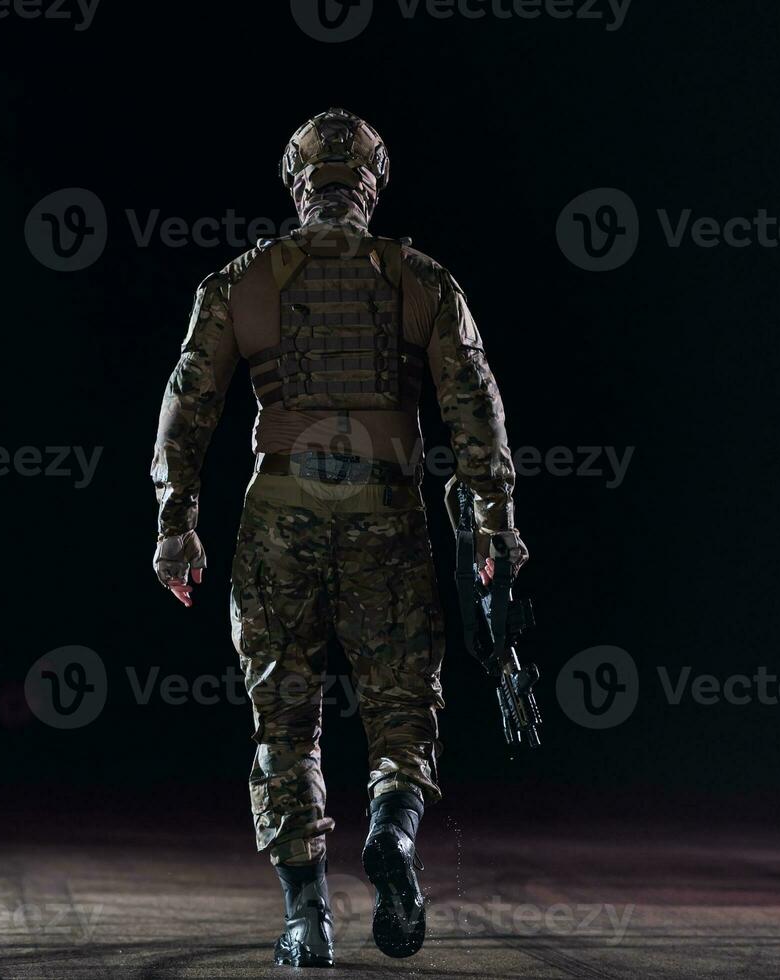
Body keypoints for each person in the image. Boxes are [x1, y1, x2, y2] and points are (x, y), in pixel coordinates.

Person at [149, 108, 528, 966]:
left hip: (278, 512)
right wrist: (494, 526)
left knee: (283, 717)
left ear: (298, 184)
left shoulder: (242, 279)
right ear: (369, 186)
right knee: (401, 706)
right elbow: (476, 410)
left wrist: (177, 526)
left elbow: (187, 408)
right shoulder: (420, 279)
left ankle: (305, 918)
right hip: (385, 510)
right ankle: (393, 829)